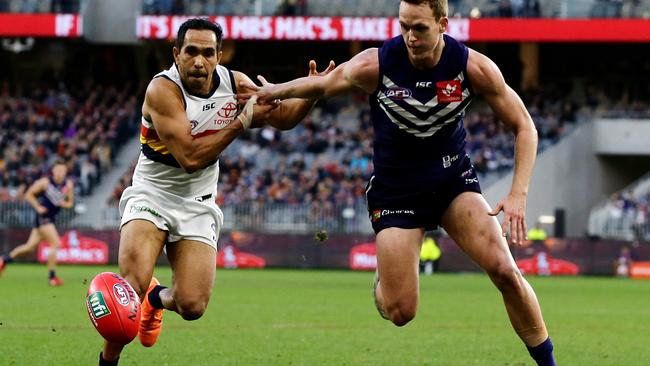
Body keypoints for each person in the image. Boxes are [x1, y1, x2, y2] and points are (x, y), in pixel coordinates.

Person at [245, 1, 556, 364]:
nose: (410, 36)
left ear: (442, 24)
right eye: (404, 25)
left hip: (452, 182)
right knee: (400, 312)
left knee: (506, 271)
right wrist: (274, 91)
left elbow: (525, 127)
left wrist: (518, 193)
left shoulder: (473, 67)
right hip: (396, 189)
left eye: (419, 28)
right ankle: (384, 278)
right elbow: (323, 84)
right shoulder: (374, 64)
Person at [96, 18, 330, 366]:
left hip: (198, 201)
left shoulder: (235, 85)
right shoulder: (162, 90)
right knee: (129, 286)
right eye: (191, 51)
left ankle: (156, 300)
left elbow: (282, 118)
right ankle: (108, 360)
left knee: (192, 305)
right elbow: (190, 157)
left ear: (219, 56)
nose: (199, 61)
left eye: (208, 53)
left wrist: (313, 91)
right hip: (152, 193)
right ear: (176, 54)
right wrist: (242, 121)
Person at [0, 161, 74, 286]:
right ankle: (52, 277)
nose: (60, 173)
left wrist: (64, 204)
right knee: (56, 243)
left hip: (51, 218)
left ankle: (4, 260)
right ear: (53, 171)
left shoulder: (68, 184)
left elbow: (70, 202)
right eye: (58, 170)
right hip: (43, 217)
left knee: (29, 247)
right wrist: (38, 207)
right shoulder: (45, 182)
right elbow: (29, 194)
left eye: (63, 170)